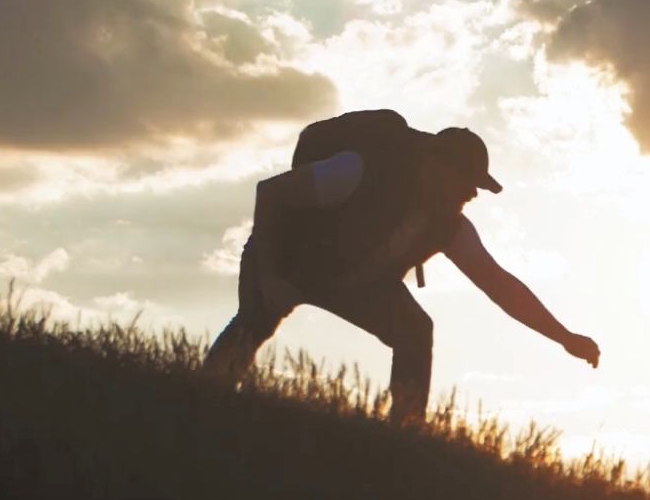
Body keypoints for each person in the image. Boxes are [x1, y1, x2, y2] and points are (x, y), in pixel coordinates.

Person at [201, 118, 599, 422]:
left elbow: (499, 286)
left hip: (356, 282)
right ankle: (203, 403)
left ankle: (405, 437)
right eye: (467, 180)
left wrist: (564, 337)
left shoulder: (449, 225)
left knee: (414, 329)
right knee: (254, 322)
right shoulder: (358, 170)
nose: (472, 193)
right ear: (434, 164)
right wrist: (269, 274)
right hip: (288, 254)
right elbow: (271, 194)